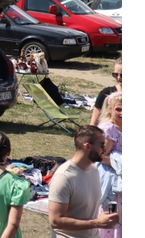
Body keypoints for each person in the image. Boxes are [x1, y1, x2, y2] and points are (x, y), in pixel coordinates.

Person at [48, 125, 120, 237]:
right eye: (101, 145)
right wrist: (97, 223)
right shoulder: (64, 177)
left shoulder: (94, 170)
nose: (105, 150)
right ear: (87, 146)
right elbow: (55, 221)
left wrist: (103, 220)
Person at [96, 92, 122, 238]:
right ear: (110, 109)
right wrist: (120, 164)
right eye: (118, 109)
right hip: (112, 181)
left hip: (121, 178)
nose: (122, 113)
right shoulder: (109, 128)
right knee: (111, 215)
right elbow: (101, 156)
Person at [89, 58, 121, 126]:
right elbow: (93, 123)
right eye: (115, 74)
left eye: (122, 75)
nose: (118, 78)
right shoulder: (106, 93)